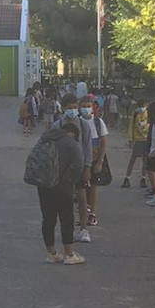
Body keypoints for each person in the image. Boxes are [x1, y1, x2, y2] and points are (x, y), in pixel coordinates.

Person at [28, 116, 86, 264]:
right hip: (63, 187)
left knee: (48, 219)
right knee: (66, 219)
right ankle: (69, 254)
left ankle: (52, 253)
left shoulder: (45, 139)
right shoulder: (71, 144)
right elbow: (79, 166)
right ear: (73, 133)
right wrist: (68, 181)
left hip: (43, 184)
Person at [60, 92, 94, 244]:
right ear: (63, 108)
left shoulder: (84, 125)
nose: (72, 111)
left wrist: (87, 167)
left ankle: (83, 229)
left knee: (82, 199)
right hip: (63, 169)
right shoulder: (58, 125)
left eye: (74, 107)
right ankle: (68, 229)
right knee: (65, 201)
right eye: (69, 108)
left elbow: (88, 148)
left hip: (79, 167)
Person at [85, 95, 109, 225]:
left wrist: (100, 161)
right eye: (83, 106)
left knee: (93, 186)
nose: (86, 109)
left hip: (94, 160)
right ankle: (84, 212)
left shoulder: (98, 123)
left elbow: (103, 142)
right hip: (81, 160)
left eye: (89, 106)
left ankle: (92, 213)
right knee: (82, 188)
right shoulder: (77, 121)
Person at [122, 101, 150, 189]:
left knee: (145, 160)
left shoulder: (149, 114)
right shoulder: (135, 114)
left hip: (146, 139)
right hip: (138, 140)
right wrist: (130, 139)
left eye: (143, 106)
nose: (141, 108)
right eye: (140, 106)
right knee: (132, 159)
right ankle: (127, 178)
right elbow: (131, 127)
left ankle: (143, 178)